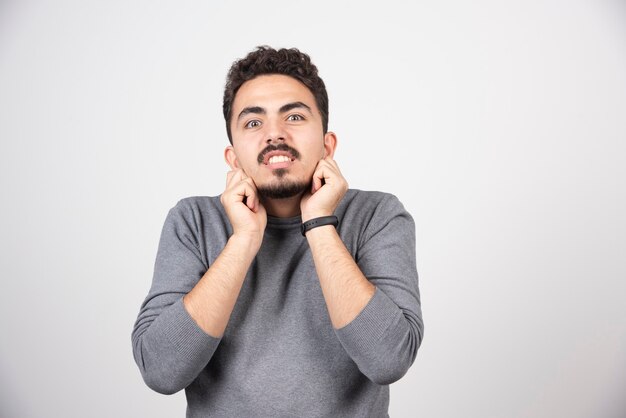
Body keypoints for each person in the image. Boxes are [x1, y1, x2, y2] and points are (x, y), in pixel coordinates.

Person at [131, 46, 424, 417]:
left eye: (295, 117)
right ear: (233, 158)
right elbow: (160, 370)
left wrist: (317, 222)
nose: (275, 135)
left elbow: (389, 360)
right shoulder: (193, 220)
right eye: (253, 123)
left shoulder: (377, 215)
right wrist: (244, 239)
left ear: (327, 145)